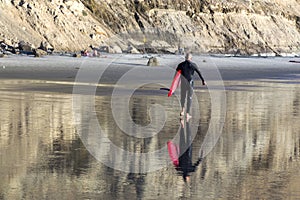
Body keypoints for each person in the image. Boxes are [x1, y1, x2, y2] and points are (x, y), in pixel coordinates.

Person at [176, 52, 206, 119]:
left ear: (185, 57)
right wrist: (203, 80)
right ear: (191, 58)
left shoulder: (180, 65)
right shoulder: (193, 64)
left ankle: (182, 110)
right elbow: (199, 72)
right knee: (189, 97)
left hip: (183, 83)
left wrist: (175, 84)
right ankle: (187, 114)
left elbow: (176, 75)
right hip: (190, 83)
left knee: (183, 97)